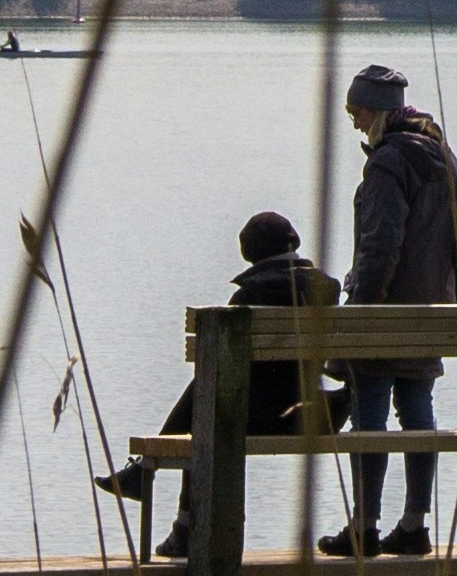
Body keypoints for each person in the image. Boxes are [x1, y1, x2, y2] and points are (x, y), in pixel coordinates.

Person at [325, 63, 457, 559]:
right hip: (431, 313)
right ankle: (415, 523)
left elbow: (380, 243)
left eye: (356, 112)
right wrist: (451, 301)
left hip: (386, 313)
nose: (353, 122)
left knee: (368, 412)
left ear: (376, 111)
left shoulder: (388, 161)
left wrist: (362, 310)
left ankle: (364, 525)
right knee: (418, 409)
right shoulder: (444, 156)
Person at [101, 210, 329, 542]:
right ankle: (143, 476)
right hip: (309, 411)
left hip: (256, 416)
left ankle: (177, 521)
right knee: (208, 395)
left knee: (205, 409)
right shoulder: (328, 289)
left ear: (249, 253)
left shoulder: (251, 295)